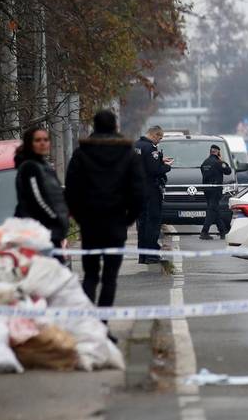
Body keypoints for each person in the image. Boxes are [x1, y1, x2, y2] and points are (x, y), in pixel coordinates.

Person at [65, 110, 144, 310]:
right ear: (115, 126)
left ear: (95, 126)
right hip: (116, 221)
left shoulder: (81, 153)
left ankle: (89, 320)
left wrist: (79, 216)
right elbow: (137, 190)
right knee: (110, 277)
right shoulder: (127, 153)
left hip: (90, 222)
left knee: (90, 274)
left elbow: (71, 188)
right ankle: (102, 322)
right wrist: (129, 218)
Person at [14, 127, 69, 249]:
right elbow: (37, 199)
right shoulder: (29, 167)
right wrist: (56, 218)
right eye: (38, 140)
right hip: (38, 233)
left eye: (46, 139)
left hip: (51, 233)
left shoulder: (45, 166)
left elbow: (57, 195)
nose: (43, 143)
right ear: (30, 143)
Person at [135, 126, 172, 264]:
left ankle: (143, 255)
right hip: (150, 190)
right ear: (154, 135)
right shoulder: (150, 148)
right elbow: (155, 170)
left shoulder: (136, 146)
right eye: (160, 138)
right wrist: (167, 166)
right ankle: (152, 254)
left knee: (142, 223)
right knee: (153, 222)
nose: (160, 141)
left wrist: (159, 161)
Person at [199, 144, 232, 240]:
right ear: (218, 152)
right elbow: (228, 171)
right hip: (215, 190)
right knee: (211, 210)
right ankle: (204, 231)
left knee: (214, 210)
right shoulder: (218, 162)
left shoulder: (204, 162)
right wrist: (222, 161)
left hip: (206, 190)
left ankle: (223, 231)